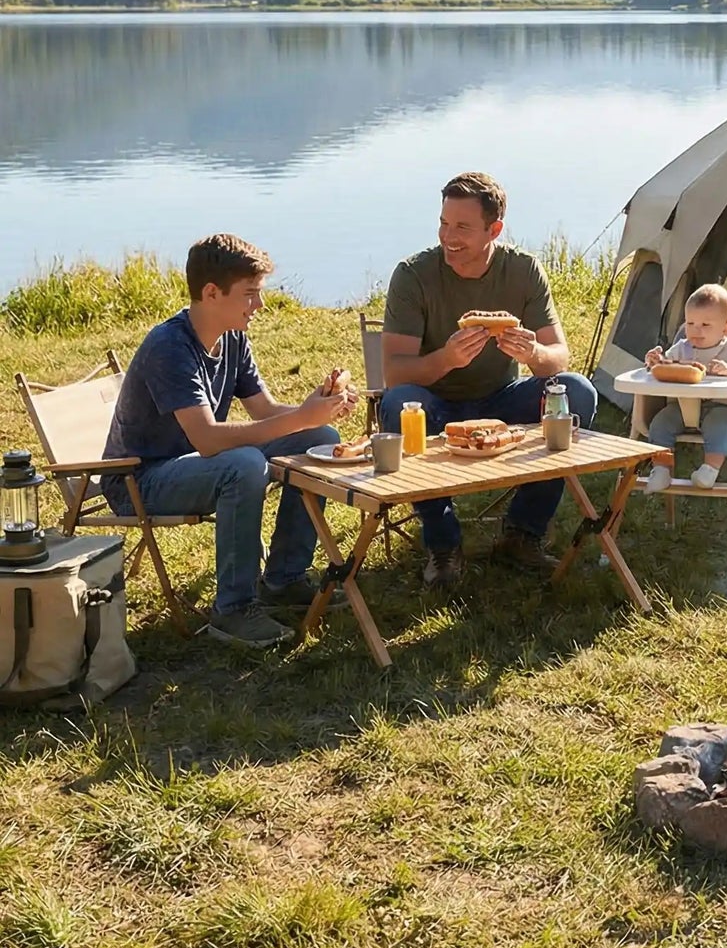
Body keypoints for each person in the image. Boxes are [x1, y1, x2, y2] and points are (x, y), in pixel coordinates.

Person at [103, 234, 356, 649]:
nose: (259, 305)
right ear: (211, 292)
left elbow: (265, 411)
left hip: (194, 467)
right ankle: (233, 610)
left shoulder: (232, 336)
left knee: (318, 437)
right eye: (250, 295)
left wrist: (315, 411)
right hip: (139, 481)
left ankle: (285, 578)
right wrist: (298, 417)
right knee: (242, 465)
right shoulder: (170, 347)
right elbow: (206, 439)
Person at [379, 171, 598, 587]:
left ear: (494, 229)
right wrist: (446, 358)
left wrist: (532, 353)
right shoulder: (413, 275)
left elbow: (559, 356)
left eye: (462, 227)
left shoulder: (522, 270)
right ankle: (442, 545)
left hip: (501, 399)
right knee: (399, 403)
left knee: (576, 392)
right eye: (444, 223)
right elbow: (395, 372)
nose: (449, 236)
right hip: (435, 402)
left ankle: (523, 533)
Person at [641, 283, 727, 493]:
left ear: (726, 328)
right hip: (682, 407)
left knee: (719, 427)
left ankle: (709, 470)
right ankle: (661, 469)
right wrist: (654, 361)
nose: (696, 330)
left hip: (718, 407)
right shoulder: (682, 348)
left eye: (705, 324)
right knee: (659, 424)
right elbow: (664, 365)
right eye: (690, 323)